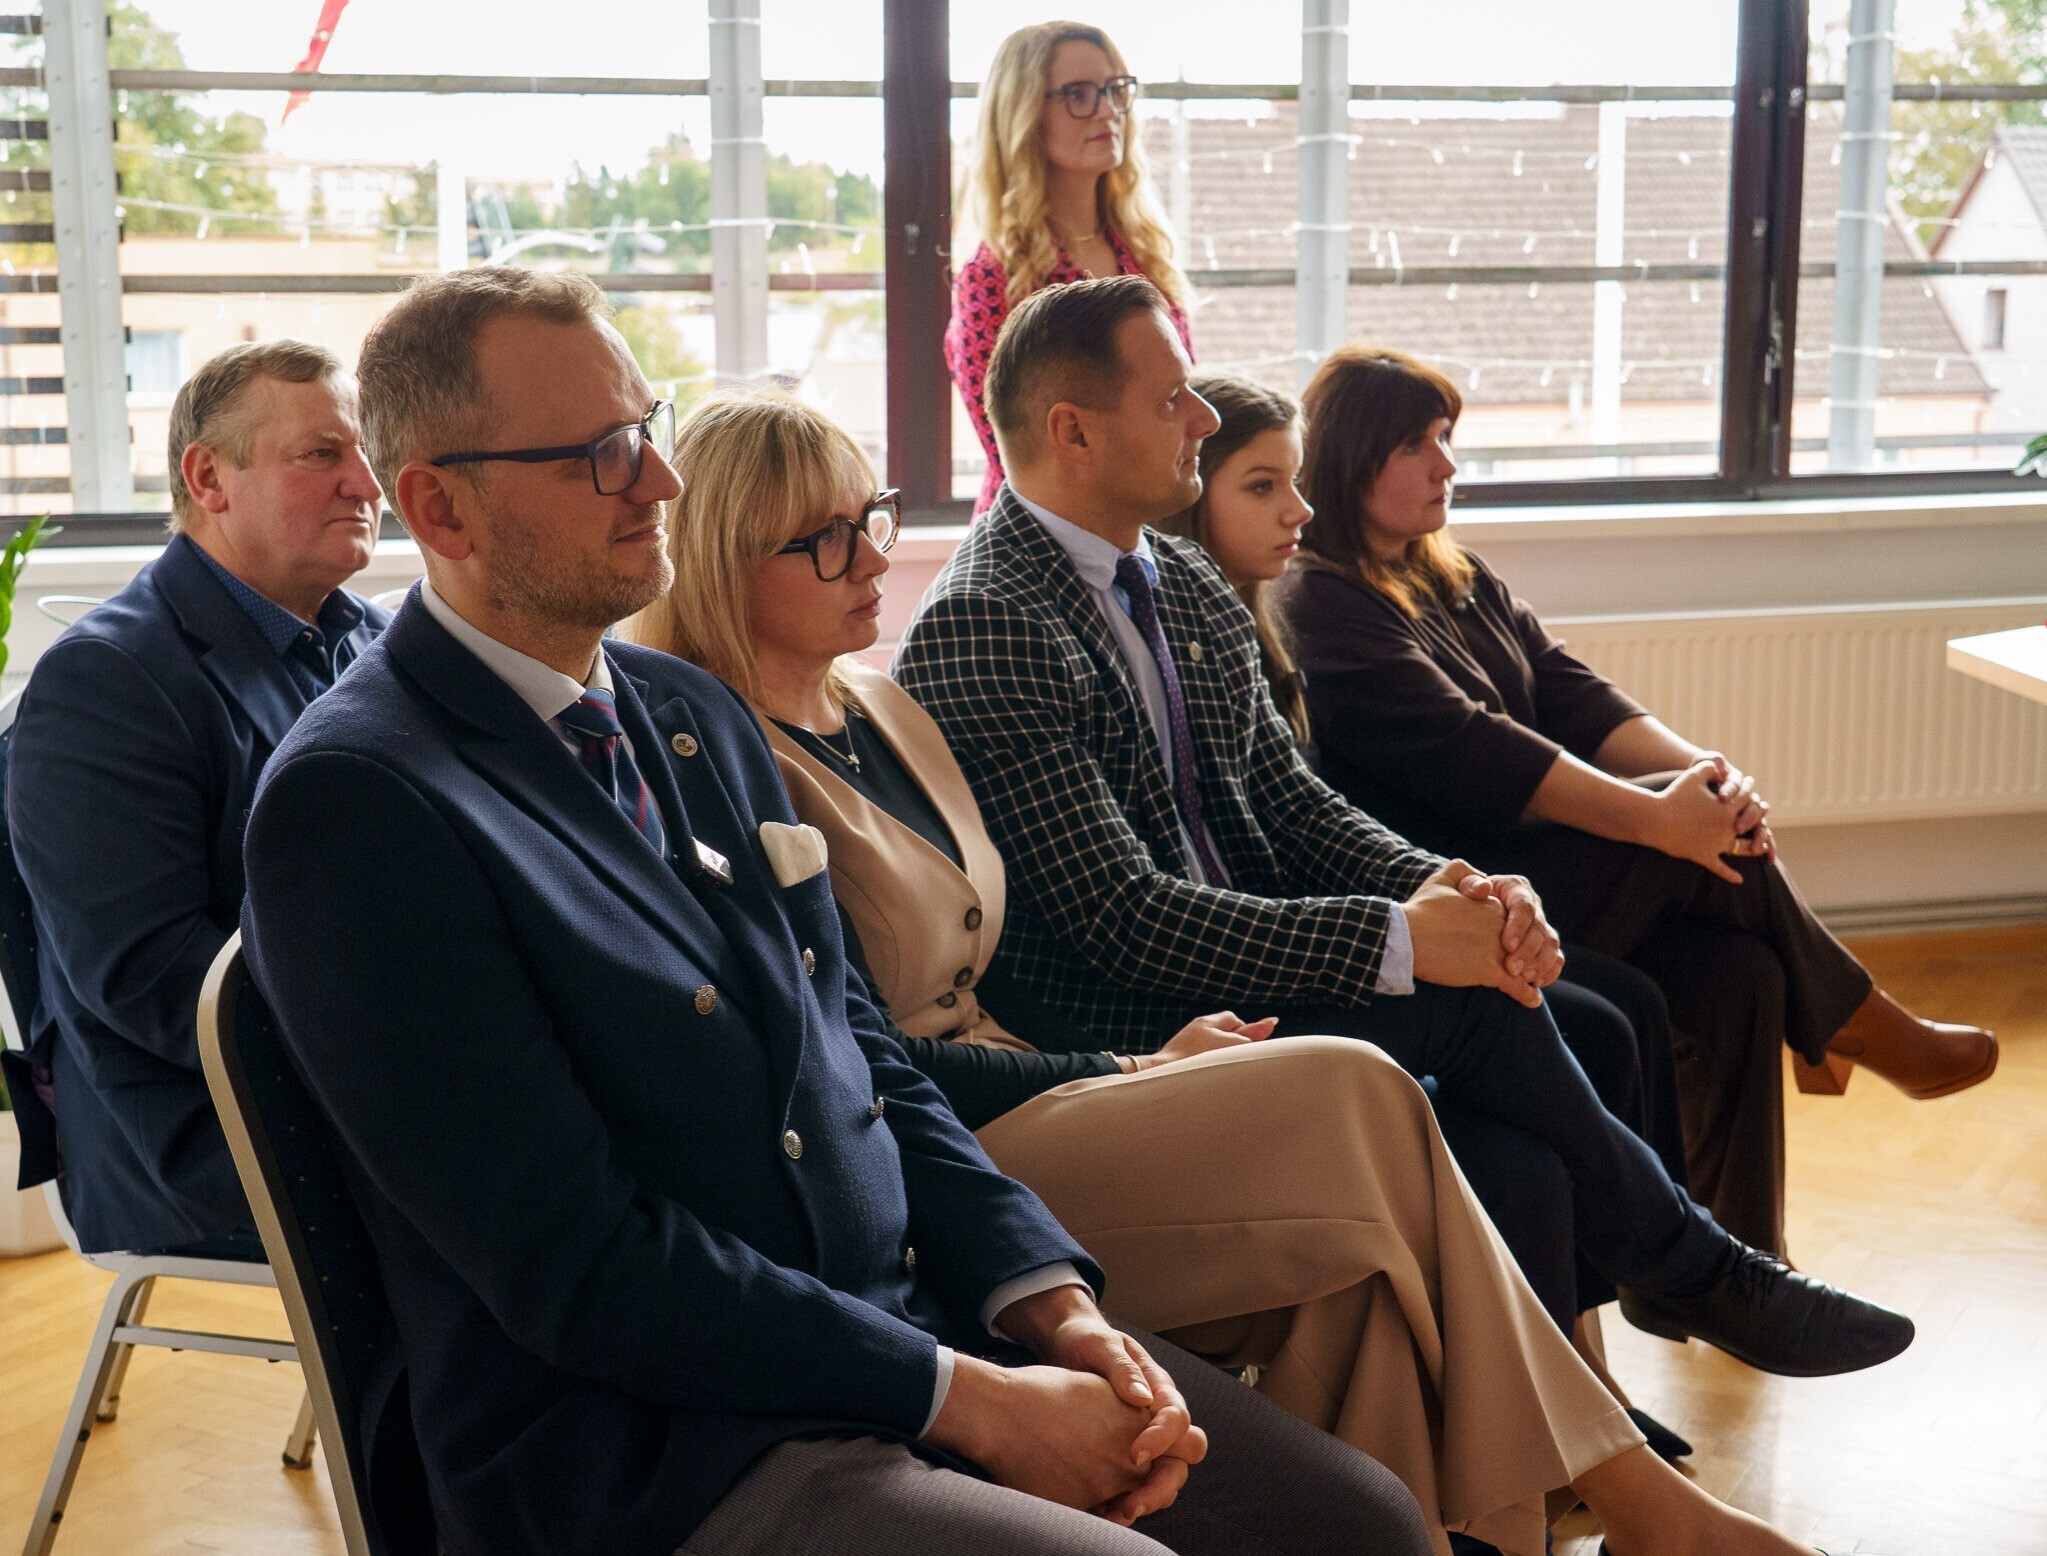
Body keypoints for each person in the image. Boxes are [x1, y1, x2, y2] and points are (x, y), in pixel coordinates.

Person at [242, 265, 1441, 1556]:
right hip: (658, 1450)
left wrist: (1048, 1305)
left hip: (895, 1336)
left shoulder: (687, 710)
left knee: (1359, 1523)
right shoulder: (361, 801)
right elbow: (577, 1267)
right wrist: (966, 1398)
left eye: (646, 430)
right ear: (439, 505)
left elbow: (864, 1060)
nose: (661, 480)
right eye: (603, 455)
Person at [628, 385, 1872, 1556]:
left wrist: (1449, 888)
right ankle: (1648, 1436)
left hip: (1051, 1063)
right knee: (1364, 1081)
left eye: (872, 518)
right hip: (970, 1129)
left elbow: (1285, 798)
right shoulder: (733, 759)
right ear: (725, 562)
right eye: (822, 541)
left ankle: (1497, 1521)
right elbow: (881, 1050)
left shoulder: (879, 706)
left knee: (1383, 1255)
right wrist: (1133, 1060)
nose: (867, 557)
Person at [892, 274, 1914, 1387]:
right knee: (1479, 1005)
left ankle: (1575, 1421)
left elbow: (1294, 802)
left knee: (1528, 1128)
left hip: (1241, 958)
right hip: (1139, 1016)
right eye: (1172, 398)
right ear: (1073, 431)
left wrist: (1456, 887)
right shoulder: (989, 617)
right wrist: (1400, 937)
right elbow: (1119, 918)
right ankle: (1692, 1266)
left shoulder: (1174, 575)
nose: (1200, 416)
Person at [1269, 345, 1999, 1256]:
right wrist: (1663, 814)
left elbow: (1571, 691)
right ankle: (1852, 1024)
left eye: (1446, 437)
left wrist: (1707, 775)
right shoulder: (1319, 602)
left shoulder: (1454, 575)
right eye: (1416, 444)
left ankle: (1740, 1259)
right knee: (1708, 843)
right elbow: (1480, 751)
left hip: (1551, 871)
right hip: (1474, 895)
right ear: (1351, 457)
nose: (1445, 464)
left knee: (1747, 978)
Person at [4, 340, 387, 1257]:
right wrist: (406, 1043)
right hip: (206, 1131)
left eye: (366, 452)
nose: (369, 484)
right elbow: (151, 980)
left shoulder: (373, 642)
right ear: (209, 478)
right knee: (534, 1187)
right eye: (322, 454)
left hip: (363, 1077)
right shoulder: (106, 680)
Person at [948, 19, 1191, 514]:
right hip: (1037, 537)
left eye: (1115, 90)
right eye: (1078, 94)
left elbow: (1181, 405)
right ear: (1024, 115)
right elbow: (1016, 453)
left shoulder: (1146, 252)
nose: (1107, 110)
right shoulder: (995, 277)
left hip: (1148, 524)